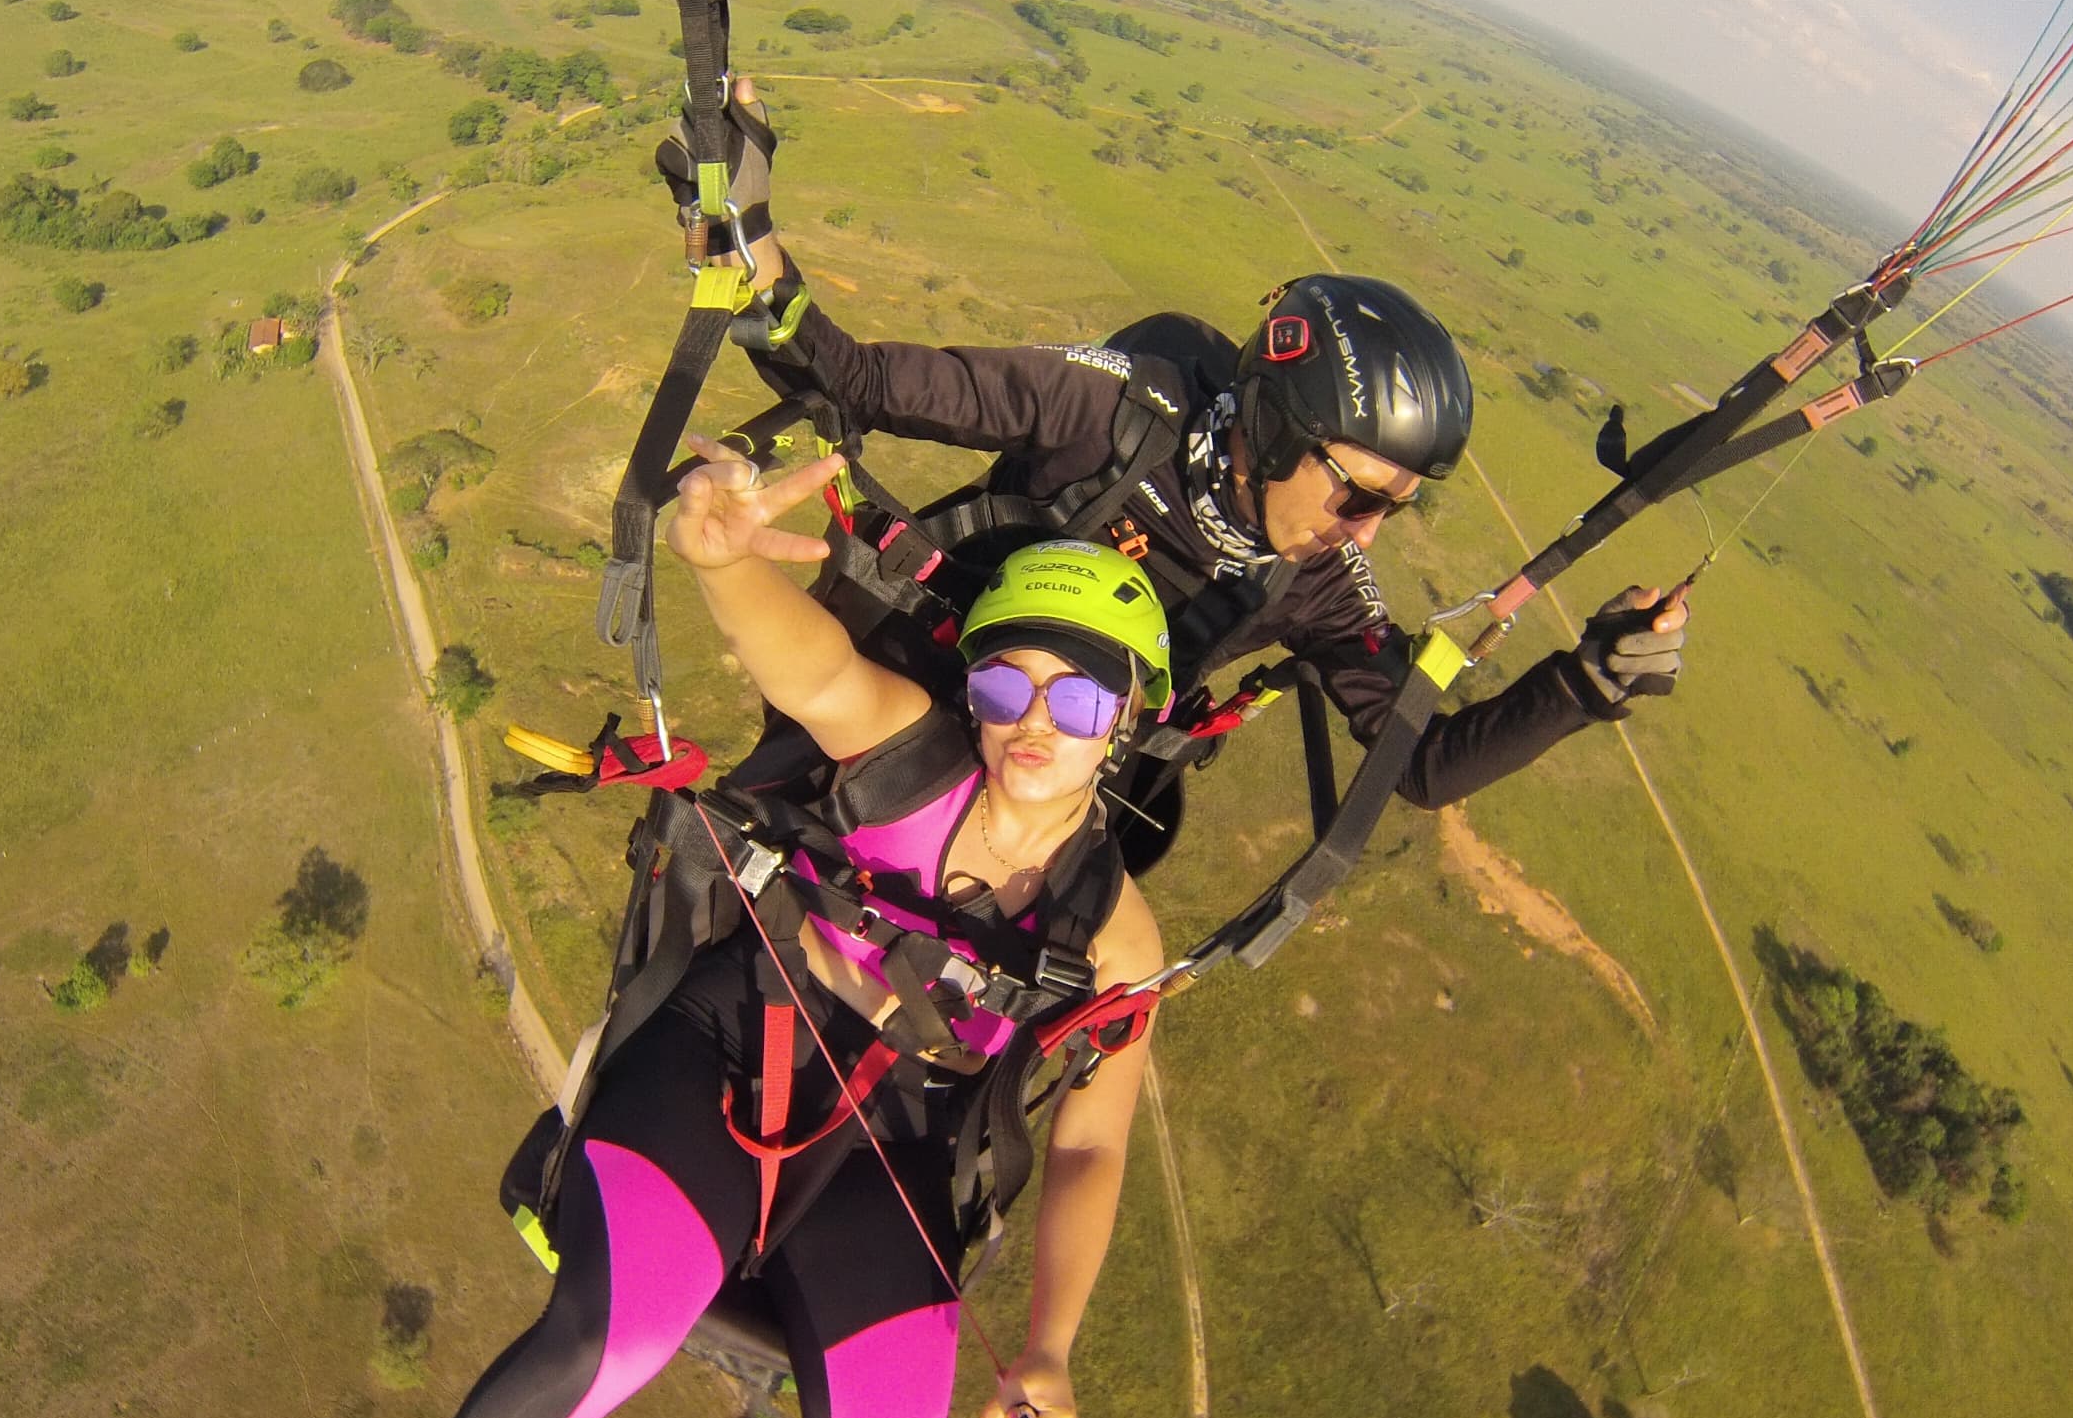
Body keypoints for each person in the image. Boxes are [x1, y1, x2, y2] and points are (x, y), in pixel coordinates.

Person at [302, 442, 1171, 1418]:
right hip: (736, 1039)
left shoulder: (1116, 939)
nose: (1031, 725)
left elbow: (1091, 1145)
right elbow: (811, 671)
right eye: (1002, 688)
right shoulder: (910, 752)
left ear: (1130, 720)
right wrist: (722, 564)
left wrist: (1048, 1348)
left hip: (896, 1153)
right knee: (613, 1336)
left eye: (1076, 703)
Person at [662, 82, 1690, 867]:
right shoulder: (1114, 407)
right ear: (1281, 433)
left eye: (1394, 510)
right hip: (872, 707)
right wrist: (744, 242)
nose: (1365, 532)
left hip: (1023, 817)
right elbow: (854, 384)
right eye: (1359, 493)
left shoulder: (1317, 583)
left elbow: (1415, 765)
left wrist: (1586, 681)